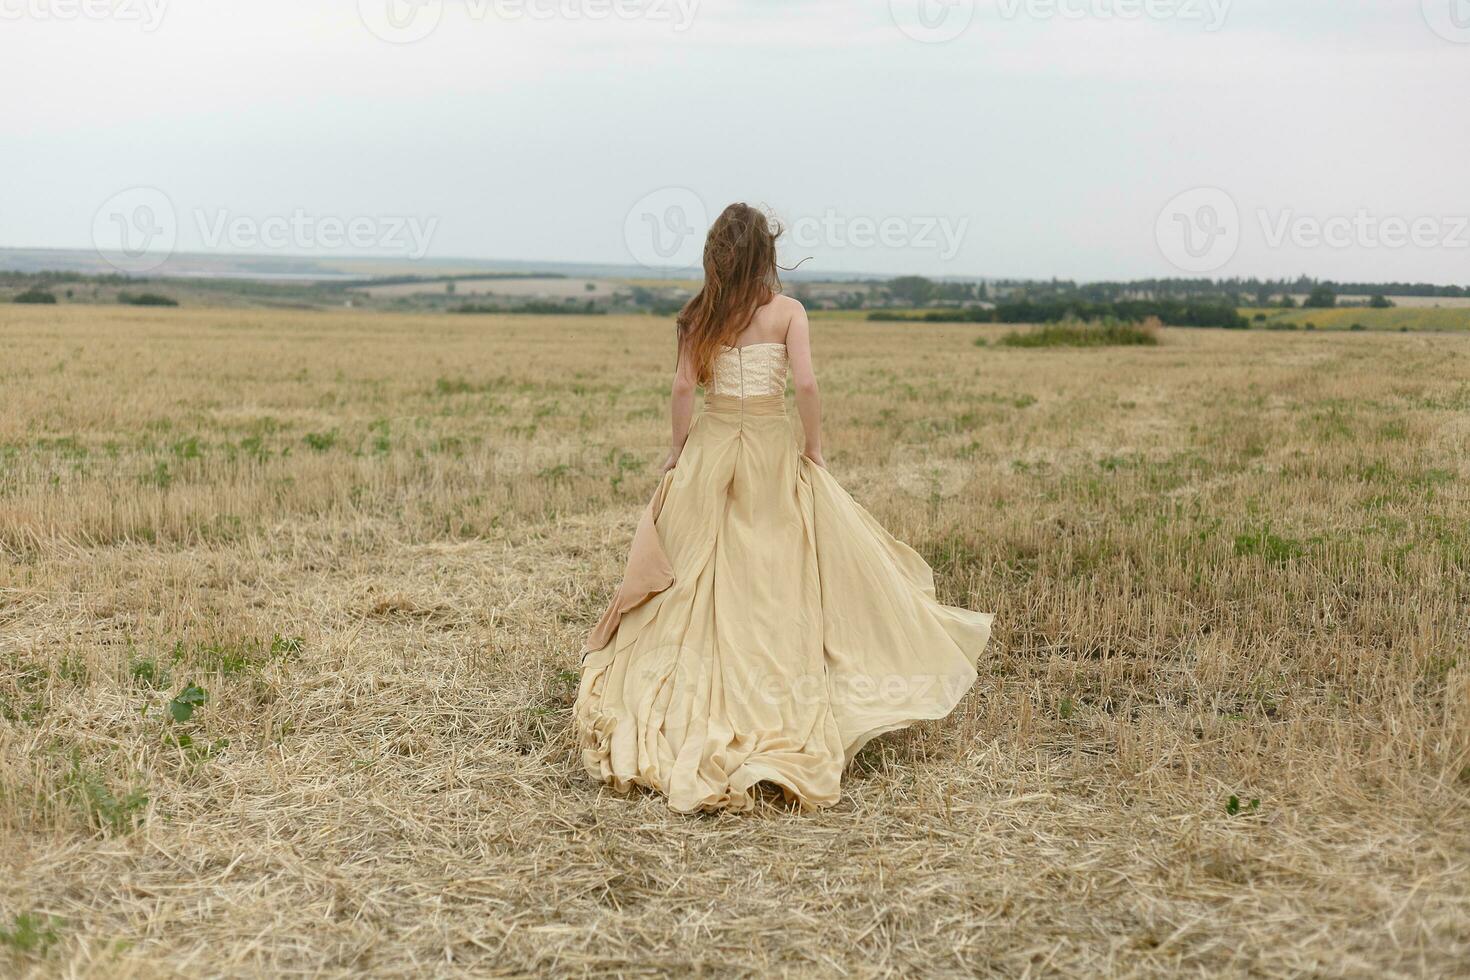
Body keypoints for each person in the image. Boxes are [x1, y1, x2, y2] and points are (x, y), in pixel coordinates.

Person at [575, 203, 993, 812]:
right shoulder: (789, 312)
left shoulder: (700, 317)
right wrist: (815, 448)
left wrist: (676, 449)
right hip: (770, 448)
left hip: (714, 447)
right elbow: (805, 386)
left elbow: (684, 388)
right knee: (775, 564)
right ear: (765, 253)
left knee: (689, 564)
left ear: (716, 256)